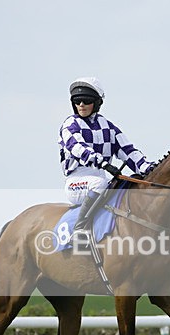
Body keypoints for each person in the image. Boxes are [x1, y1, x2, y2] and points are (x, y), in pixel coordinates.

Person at [58, 77, 156, 236]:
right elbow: (77, 147)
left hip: (101, 179)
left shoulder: (108, 127)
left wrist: (149, 167)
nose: (81, 104)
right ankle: (80, 228)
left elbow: (128, 151)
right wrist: (102, 162)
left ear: (97, 103)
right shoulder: (70, 124)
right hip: (76, 182)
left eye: (86, 100)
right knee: (99, 184)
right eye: (77, 101)